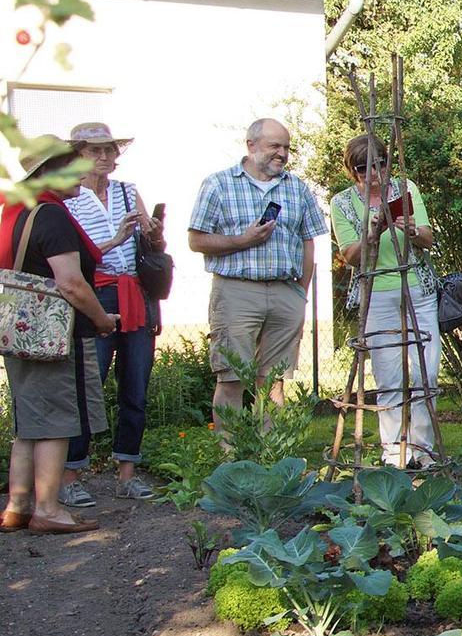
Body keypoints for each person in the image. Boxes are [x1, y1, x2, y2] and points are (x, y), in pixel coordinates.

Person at [1, 145, 117, 535]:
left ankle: (18, 506)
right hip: (49, 335)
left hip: (17, 330)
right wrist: (101, 320)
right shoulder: (51, 216)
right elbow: (71, 283)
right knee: (55, 423)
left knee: (29, 421)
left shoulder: (18, 210)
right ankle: (49, 509)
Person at [188, 118, 326, 431]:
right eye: (275, 146)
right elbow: (196, 240)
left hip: (285, 292)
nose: (282, 153)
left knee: (273, 382)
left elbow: (308, 243)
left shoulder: (297, 188)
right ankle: (230, 460)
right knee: (231, 378)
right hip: (237, 292)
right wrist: (242, 240)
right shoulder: (218, 184)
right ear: (251, 146)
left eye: (286, 147)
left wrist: (301, 294)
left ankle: (270, 460)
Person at [60, 122, 163, 503]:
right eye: (94, 150)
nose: (104, 157)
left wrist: (152, 232)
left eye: (110, 150)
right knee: (87, 387)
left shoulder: (127, 192)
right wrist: (115, 239)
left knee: (135, 386)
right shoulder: (67, 198)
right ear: (79, 154)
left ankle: (127, 473)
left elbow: (146, 245)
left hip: (134, 294)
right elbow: (73, 256)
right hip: (94, 295)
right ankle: (70, 476)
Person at [330, 134, 443, 468]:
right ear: (353, 171)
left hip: (417, 292)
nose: (373, 174)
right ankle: (395, 453)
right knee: (390, 378)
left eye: (379, 164)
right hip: (377, 294)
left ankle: (423, 452)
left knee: (426, 373)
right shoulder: (344, 203)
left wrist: (410, 230)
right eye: (363, 168)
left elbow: (427, 238)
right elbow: (350, 256)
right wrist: (373, 232)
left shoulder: (405, 188)